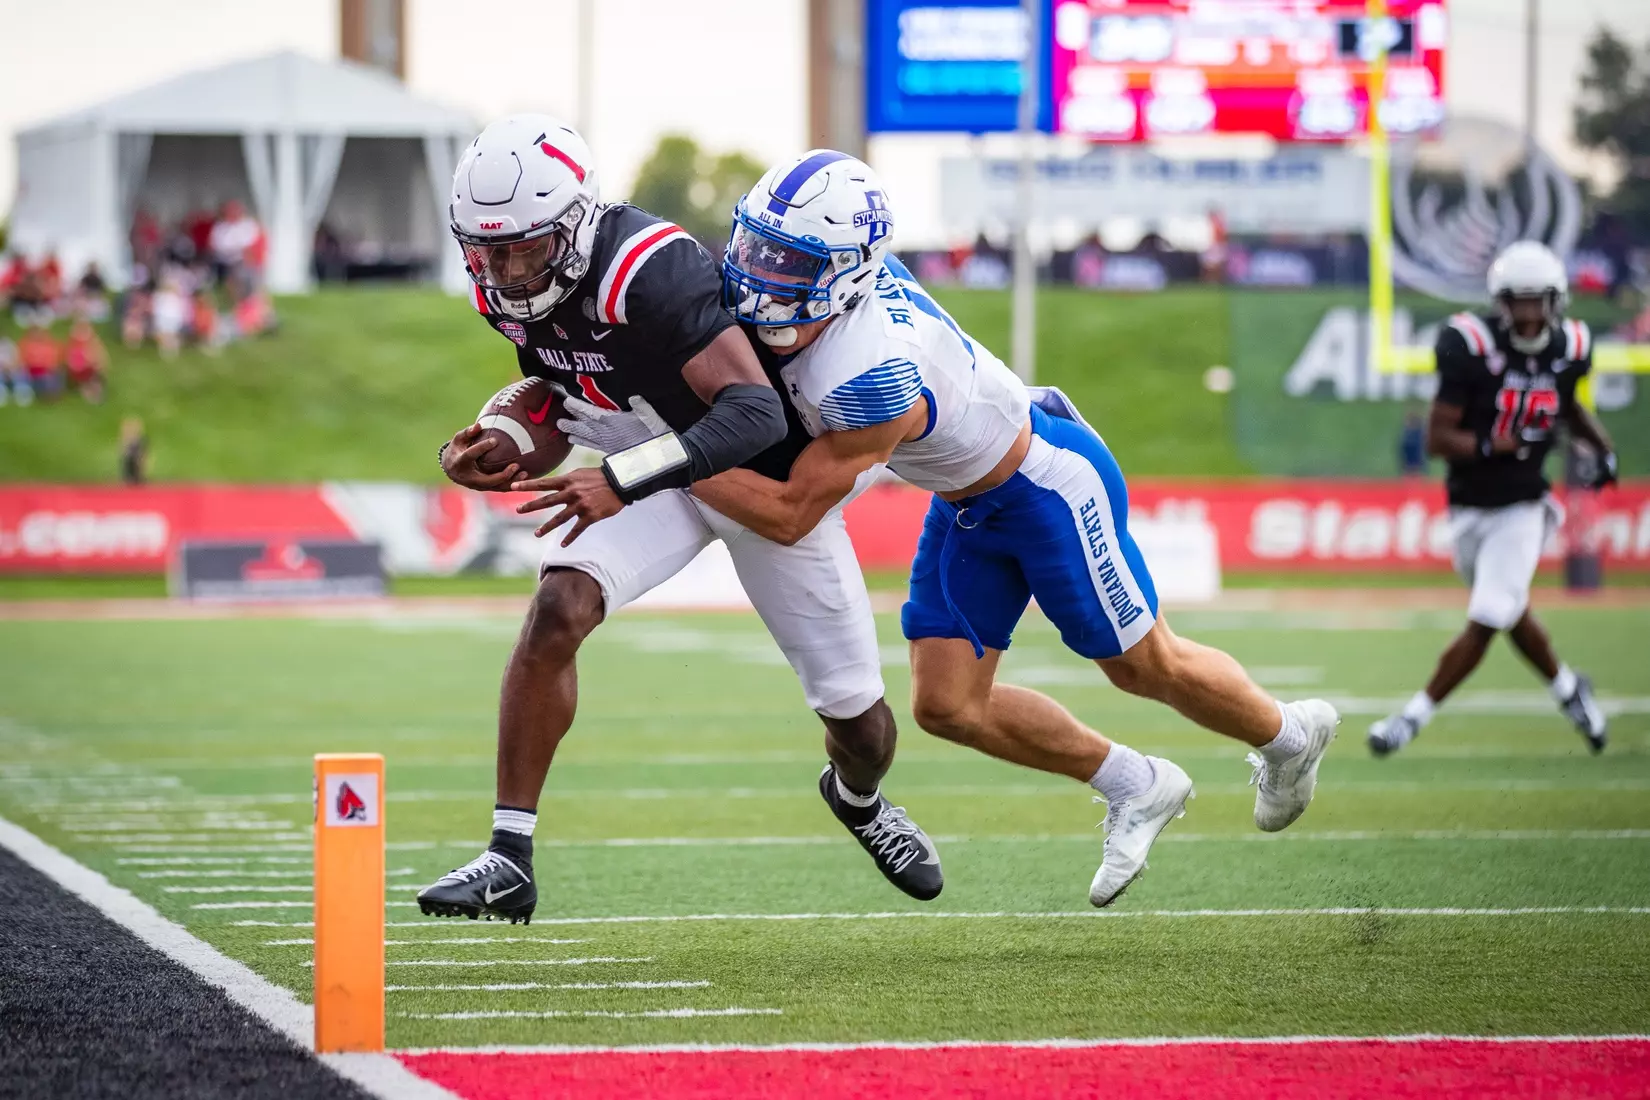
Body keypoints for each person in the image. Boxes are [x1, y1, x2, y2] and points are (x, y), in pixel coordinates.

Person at [695, 150, 1339, 908]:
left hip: (1043, 484)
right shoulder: (829, 305)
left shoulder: (874, 370)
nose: (756, 272)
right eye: (755, 246)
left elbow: (793, 512)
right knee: (946, 706)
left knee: (1140, 665)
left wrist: (656, 462)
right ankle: (1138, 784)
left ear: (848, 273)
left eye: (788, 261)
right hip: (965, 499)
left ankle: (1289, 737)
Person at [414, 118, 941, 926]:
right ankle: (508, 855)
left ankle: (859, 800)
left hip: (753, 480)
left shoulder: (648, 270)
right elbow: (573, 393)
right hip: (648, 463)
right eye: (493, 252)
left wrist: (621, 477)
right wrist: (502, 441)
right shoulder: (503, 286)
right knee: (557, 609)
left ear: (579, 222)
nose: (511, 271)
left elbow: (756, 416)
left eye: (529, 248)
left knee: (859, 722)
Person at [1369, 242, 1618, 756]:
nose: (1527, 315)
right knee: (1510, 611)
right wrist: (1490, 445)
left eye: (1537, 302)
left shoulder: (1569, 347)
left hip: (1523, 506)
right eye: (1517, 302)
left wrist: (1603, 447)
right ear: (1499, 303)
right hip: (1467, 507)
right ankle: (1572, 691)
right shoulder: (1472, 346)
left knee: (1486, 617)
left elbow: (1568, 406)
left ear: (1556, 301)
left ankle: (1411, 718)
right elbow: (1439, 439)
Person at [63, 320, 107, 402]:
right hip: (78, 370)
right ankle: (86, 389)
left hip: (91, 369)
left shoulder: (93, 342)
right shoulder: (72, 343)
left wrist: (96, 363)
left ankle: (94, 388)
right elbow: (69, 358)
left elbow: (101, 357)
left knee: (94, 374)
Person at [16, 324, 62, 400]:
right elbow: (23, 360)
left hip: (45, 371)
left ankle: (51, 394)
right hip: (31, 371)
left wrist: (51, 366)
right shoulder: (25, 344)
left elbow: (52, 358)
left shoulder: (47, 344)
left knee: (54, 375)